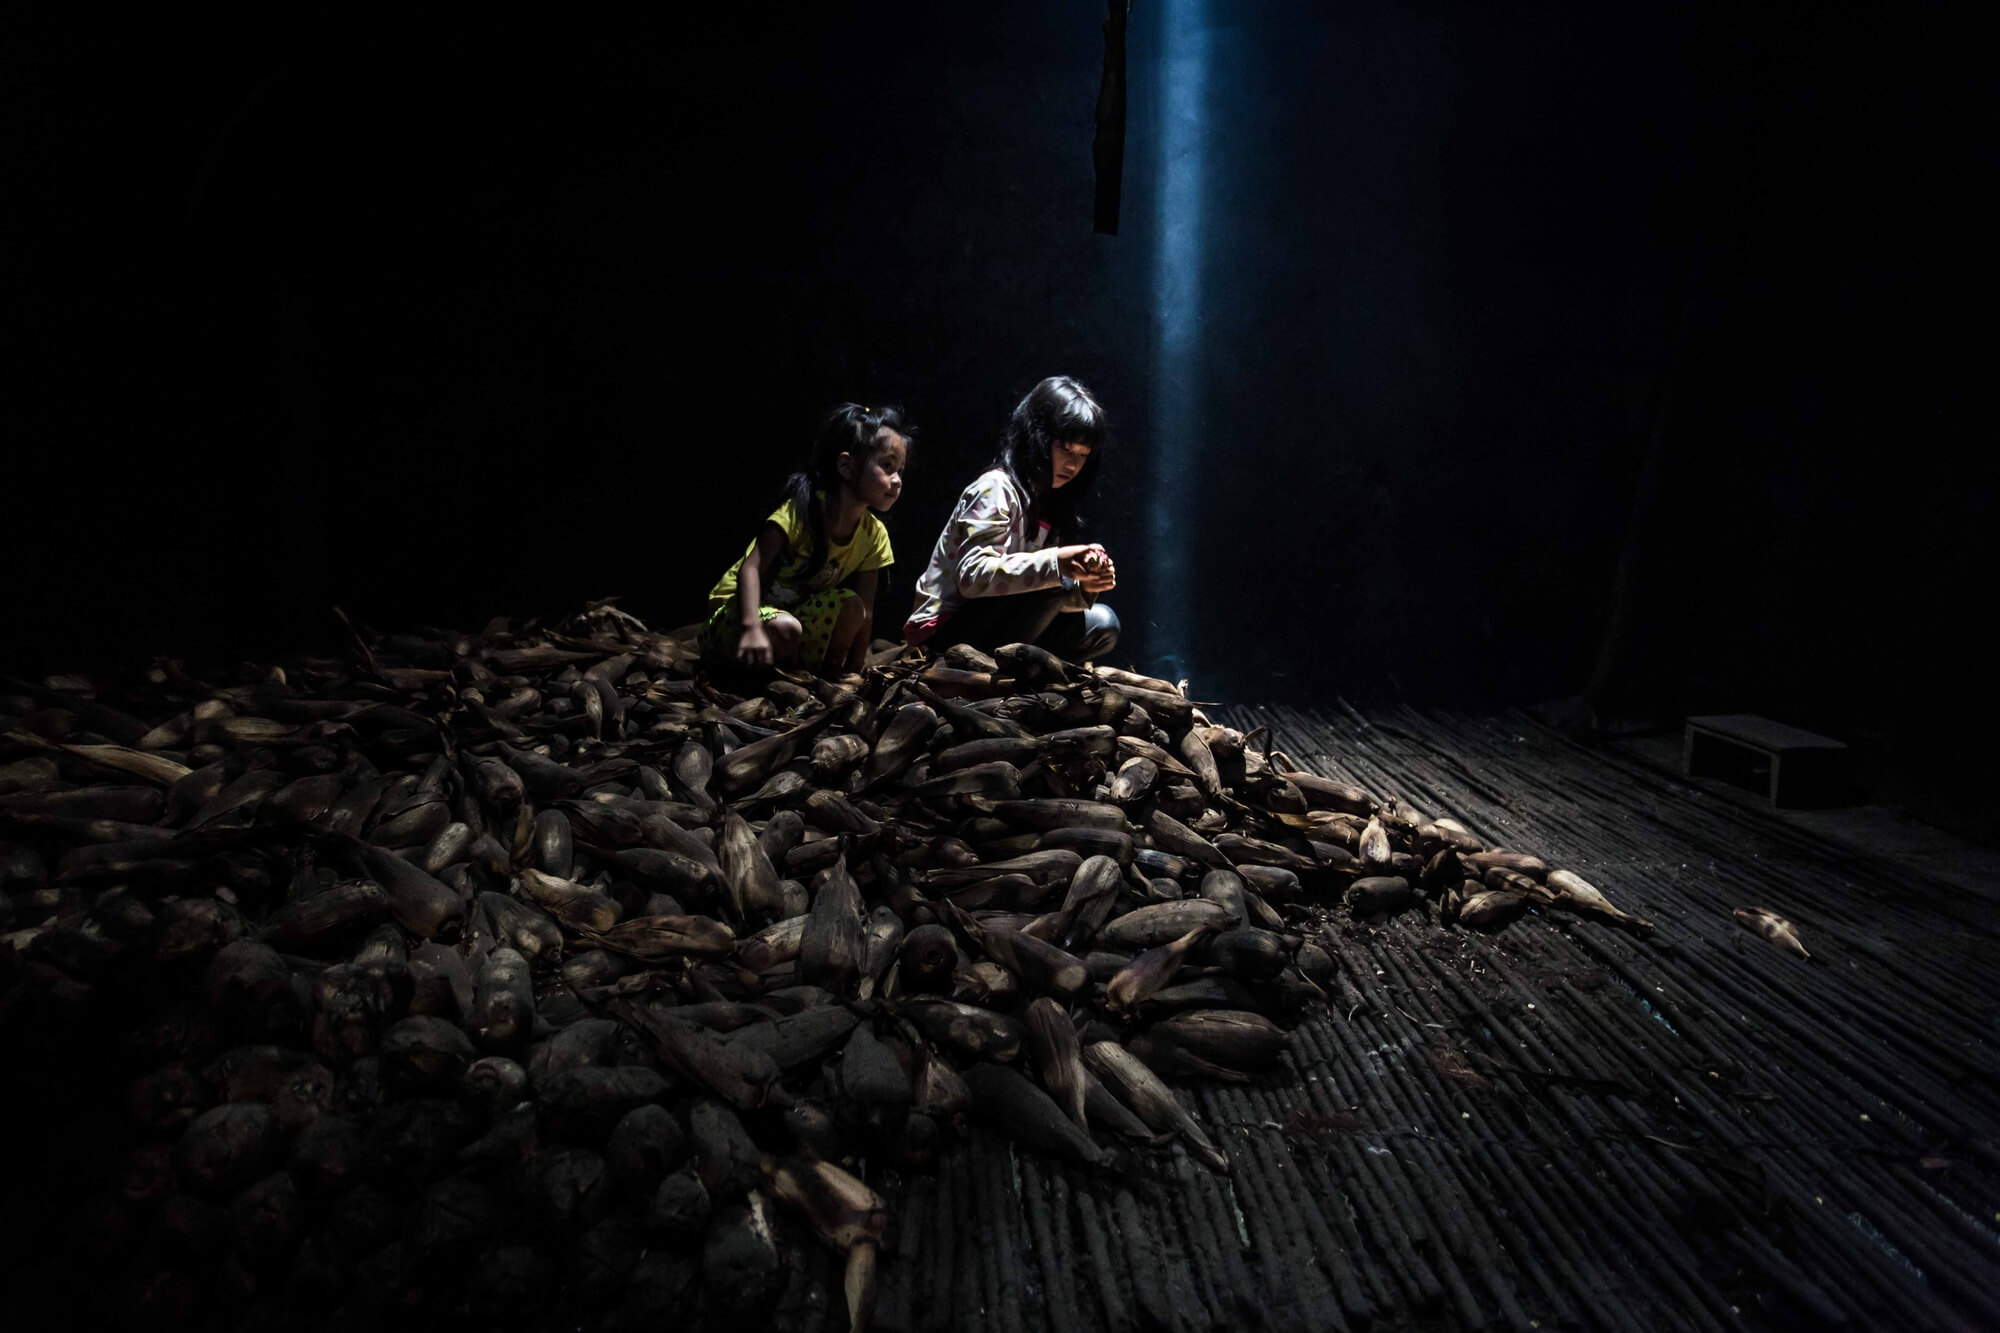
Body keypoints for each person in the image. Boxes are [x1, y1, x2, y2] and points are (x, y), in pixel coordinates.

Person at [904, 376, 1120, 661]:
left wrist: (1086, 586)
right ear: (1039, 437)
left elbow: (1035, 600)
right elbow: (972, 577)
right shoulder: (996, 487)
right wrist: (1057, 563)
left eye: (1083, 455)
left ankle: (1031, 676)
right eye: (1065, 449)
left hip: (1002, 627)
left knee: (1103, 625)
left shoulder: (1050, 506)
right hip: (948, 634)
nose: (1072, 465)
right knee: (1058, 580)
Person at [703, 403, 910, 675]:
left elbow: (866, 610)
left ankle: (819, 676)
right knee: (786, 628)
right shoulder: (802, 510)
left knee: (852, 607)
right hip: (739, 615)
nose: (897, 480)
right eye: (887, 466)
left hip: (793, 618)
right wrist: (752, 627)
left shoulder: (874, 535)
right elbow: (750, 569)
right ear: (847, 466)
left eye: (900, 471)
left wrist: (856, 665)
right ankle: (743, 670)